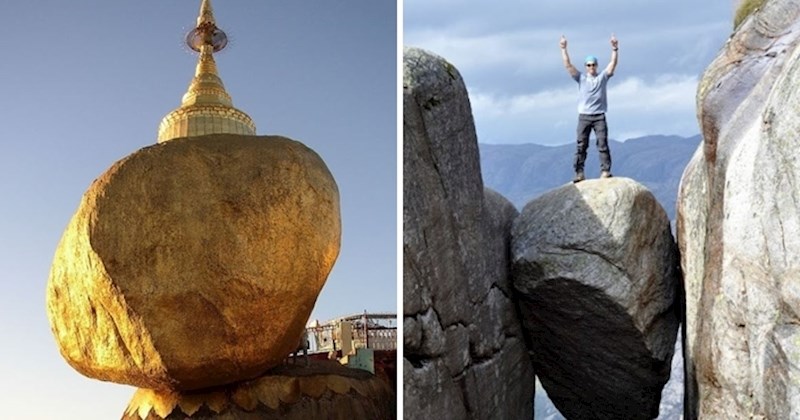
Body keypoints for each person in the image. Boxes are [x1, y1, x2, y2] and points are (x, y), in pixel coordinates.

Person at [560, 34, 618, 182]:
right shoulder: (581, 78)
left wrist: (614, 48)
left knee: (602, 143)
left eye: (593, 64)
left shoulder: (602, 78)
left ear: (596, 66)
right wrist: (563, 48)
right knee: (581, 145)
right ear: (585, 67)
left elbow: (612, 64)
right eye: (588, 65)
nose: (591, 67)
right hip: (584, 116)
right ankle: (579, 173)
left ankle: (605, 171)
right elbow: (568, 65)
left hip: (599, 116)